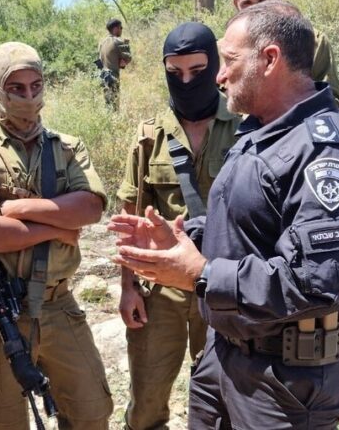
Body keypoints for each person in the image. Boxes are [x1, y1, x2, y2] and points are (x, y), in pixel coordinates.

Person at [110, 0, 339, 429]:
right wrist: (184, 236)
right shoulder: (259, 132)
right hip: (225, 356)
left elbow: (317, 283)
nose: (218, 76)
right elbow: (246, 224)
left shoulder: (324, 149)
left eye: (229, 61)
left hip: (281, 380)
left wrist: (199, 273)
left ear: (269, 59)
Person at [0, 41, 113, 429]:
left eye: (36, 85)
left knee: (91, 412)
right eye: (16, 88)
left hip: (60, 307)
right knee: (3, 419)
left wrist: (19, 209)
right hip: (1, 316)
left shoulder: (68, 148)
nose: (29, 97)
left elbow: (91, 207)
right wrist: (59, 226)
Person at [116, 22, 240, 430]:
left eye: (196, 70)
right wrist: (128, 288)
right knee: (148, 400)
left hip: (221, 286)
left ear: (216, 66)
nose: (186, 81)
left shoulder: (246, 126)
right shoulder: (150, 135)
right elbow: (131, 217)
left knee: (226, 400)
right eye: (174, 72)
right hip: (161, 292)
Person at [229, 0, 339, 109]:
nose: (255, 10)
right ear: (236, 4)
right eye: (246, 4)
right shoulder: (224, 49)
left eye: (263, 1)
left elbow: (332, 101)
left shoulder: (311, 41)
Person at [97, 18, 132, 110]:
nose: (121, 29)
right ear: (116, 28)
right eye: (121, 27)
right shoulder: (118, 41)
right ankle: (114, 123)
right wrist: (126, 44)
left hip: (103, 76)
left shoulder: (101, 42)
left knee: (108, 103)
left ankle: (109, 122)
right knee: (114, 104)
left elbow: (100, 61)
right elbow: (128, 58)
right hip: (112, 76)